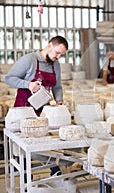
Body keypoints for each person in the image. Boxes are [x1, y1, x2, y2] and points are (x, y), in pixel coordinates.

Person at [5, 35, 68, 176]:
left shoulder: (55, 64)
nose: (58, 57)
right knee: (24, 145)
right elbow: (9, 78)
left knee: (48, 143)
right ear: (50, 45)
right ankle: (27, 178)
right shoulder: (29, 60)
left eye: (61, 55)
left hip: (43, 109)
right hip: (24, 109)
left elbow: (57, 86)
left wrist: (59, 101)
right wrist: (27, 84)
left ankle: (55, 171)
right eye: (57, 53)